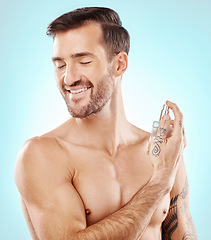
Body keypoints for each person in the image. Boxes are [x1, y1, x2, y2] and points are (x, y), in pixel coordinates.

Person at [14, 7, 197, 240]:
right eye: (60, 65)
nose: (68, 78)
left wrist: (167, 170)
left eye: (83, 61)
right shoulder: (43, 154)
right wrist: (160, 182)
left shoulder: (163, 154)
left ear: (119, 64)